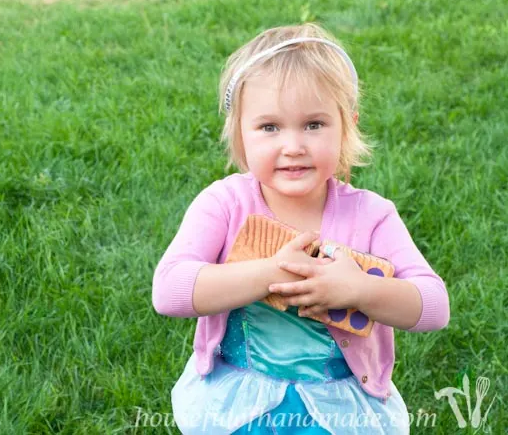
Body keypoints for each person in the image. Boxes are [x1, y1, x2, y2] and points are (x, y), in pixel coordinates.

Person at [152, 23, 449, 434]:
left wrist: (360, 290)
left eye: (313, 124)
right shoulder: (223, 204)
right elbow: (169, 291)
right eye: (269, 127)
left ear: (346, 125)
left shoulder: (372, 215)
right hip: (243, 401)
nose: (293, 145)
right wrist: (271, 274)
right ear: (241, 133)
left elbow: (433, 306)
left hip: (338, 407)